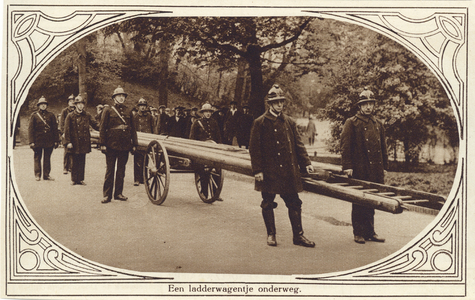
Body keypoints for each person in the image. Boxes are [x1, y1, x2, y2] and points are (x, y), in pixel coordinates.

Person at [249, 84, 315, 248]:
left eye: (281, 101)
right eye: (276, 102)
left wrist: (306, 163)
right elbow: (254, 149)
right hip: (269, 171)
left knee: (295, 202)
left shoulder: (290, 122)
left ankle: (298, 236)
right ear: (270, 104)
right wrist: (257, 170)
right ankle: (271, 234)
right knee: (267, 202)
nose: (279, 104)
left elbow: (299, 145)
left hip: (288, 170)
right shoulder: (260, 123)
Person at [340, 87, 388, 244]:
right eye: (365, 104)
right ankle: (358, 232)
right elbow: (345, 146)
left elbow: (383, 148)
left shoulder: (378, 124)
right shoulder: (351, 123)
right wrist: (347, 166)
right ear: (359, 106)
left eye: (371, 104)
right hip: (359, 169)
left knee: (372, 200)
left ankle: (370, 231)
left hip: (375, 169)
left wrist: (384, 167)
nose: (368, 107)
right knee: (359, 200)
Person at [99, 86, 138, 203]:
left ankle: (118, 193)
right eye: (119, 96)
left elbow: (133, 129)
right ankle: (107, 195)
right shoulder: (108, 110)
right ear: (114, 98)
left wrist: (134, 143)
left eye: (123, 96)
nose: (121, 98)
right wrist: (102, 143)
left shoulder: (128, 111)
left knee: (121, 170)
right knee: (110, 170)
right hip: (111, 144)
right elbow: (102, 128)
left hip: (125, 145)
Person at [63, 95, 100, 185]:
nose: (80, 105)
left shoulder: (87, 115)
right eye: (78, 104)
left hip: (84, 142)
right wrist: (68, 142)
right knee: (74, 161)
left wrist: (104, 127)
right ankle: (74, 179)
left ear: (83, 105)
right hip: (74, 141)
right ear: (75, 105)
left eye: (82, 104)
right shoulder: (70, 116)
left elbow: (95, 124)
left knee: (82, 160)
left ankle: (80, 179)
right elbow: (66, 130)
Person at [189, 103, 222, 200]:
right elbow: (192, 138)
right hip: (200, 151)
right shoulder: (197, 123)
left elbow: (218, 137)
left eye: (209, 112)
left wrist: (219, 148)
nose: (208, 114)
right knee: (204, 171)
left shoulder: (214, 123)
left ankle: (215, 193)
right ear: (203, 113)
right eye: (206, 112)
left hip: (212, 150)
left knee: (217, 170)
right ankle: (204, 192)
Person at [28, 96, 59, 181]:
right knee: (37, 157)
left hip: (49, 140)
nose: (43, 106)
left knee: (47, 158)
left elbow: (54, 129)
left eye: (44, 104)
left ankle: (46, 175)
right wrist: (31, 142)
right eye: (41, 104)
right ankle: (37, 174)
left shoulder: (51, 115)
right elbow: (31, 129)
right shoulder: (34, 116)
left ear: (46, 105)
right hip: (38, 140)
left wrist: (56, 140)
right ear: (38, 106)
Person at [132, 98, 155, 186]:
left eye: (144, 106)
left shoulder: (150, 116)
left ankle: (144, 179)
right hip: (138, 140)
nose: (142, 108)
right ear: (138, 107)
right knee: (137, 160)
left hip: (148, 141)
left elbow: (154, 128)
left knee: (146, 160)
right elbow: (132, 129)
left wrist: (154, 140)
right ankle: (137, 179)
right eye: (141, 106)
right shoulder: (135, 117)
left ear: (146, 107)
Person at [59, 94, 75, 174]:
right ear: (68, 102)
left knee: (73, 151)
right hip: (66, 133)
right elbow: (61, 122)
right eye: (70, 101)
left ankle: (71, 167)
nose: (72, 103)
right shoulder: (65, 111)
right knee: (66, 151)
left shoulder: (76, 110)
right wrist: (62, 133)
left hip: (74, 133)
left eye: (73, 101)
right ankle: (65, 167)